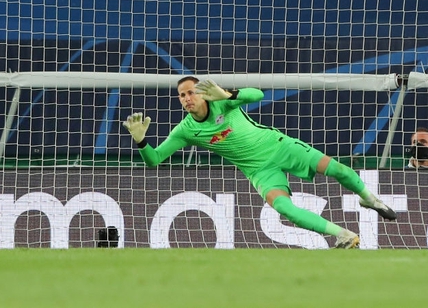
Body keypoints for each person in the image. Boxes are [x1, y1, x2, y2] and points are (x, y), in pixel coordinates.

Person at [123, 76, 397, 249]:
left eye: (191, 92)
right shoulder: (185, 130)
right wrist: (141, 142)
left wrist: (229, 95)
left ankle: (369, 198)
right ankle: (344, 236)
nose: (187, 99)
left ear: (202, 93)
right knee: (285, 209)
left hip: (279, 147)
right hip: (258, 171)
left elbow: (257, 95)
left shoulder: (223, 103)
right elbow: (154, 159)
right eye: (182, 95)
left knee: (338, 170)